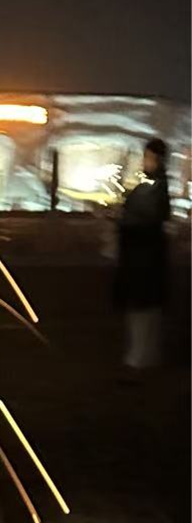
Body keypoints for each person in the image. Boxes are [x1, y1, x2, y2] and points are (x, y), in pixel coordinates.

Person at [114, 137, 171, 372]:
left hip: (144, 257)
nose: (145, 162)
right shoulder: (152, 186)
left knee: (142, 308)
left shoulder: (155, 188)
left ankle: (140, 356)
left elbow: (147, 218)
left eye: (149, 157)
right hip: (144, 255)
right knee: (144, 308)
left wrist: (124, 220)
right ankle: (145, 354)